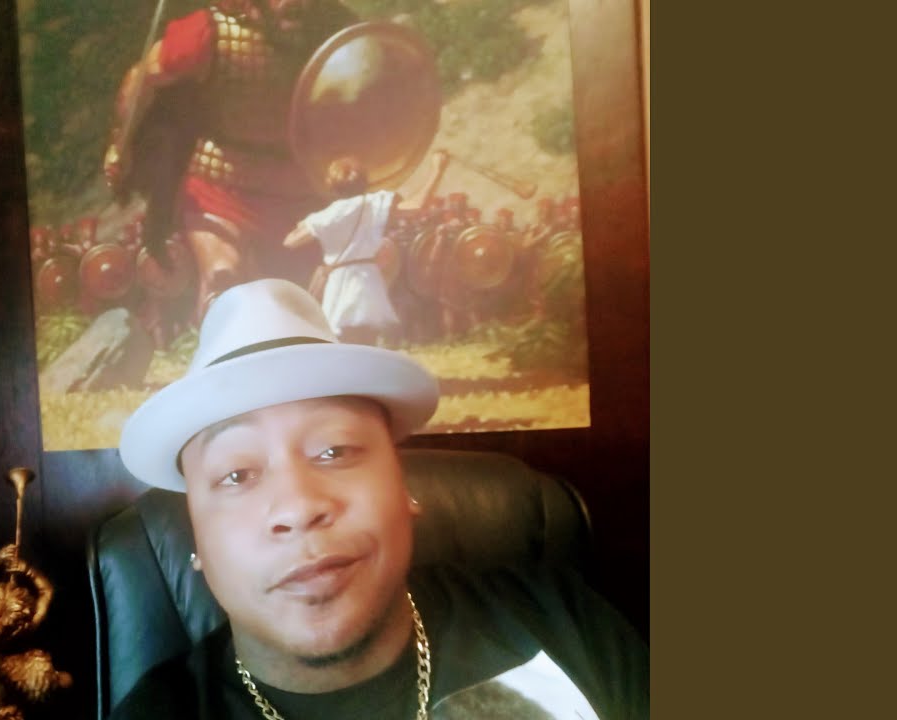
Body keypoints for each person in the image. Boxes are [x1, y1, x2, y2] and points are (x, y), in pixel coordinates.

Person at [115, 279, 649, 719]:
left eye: (334, 450)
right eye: (236, 474)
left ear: (404, 488)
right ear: (198, 546)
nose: (299, 507)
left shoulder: (562, 626)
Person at [104, 0, 359, 321]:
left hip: (306, 189)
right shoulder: (207, 33)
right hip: (222, 187)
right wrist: (122, 143)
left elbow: (370, 91)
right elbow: (141, 79)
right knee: (223, 280)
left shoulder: (334, 26)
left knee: (327, 290)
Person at [283, 150, 450, 345]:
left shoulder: (326, 216)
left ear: (332, 185)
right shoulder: (374, 204)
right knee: (366, 343)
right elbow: (416, 207)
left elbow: (290, 242)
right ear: (364, 181)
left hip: (338, 284)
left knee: (342, 343)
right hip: (365, 281)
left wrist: (304, 225)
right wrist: (437, 170)